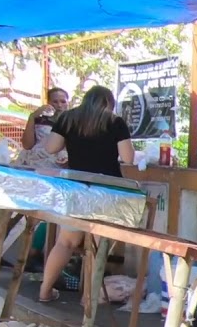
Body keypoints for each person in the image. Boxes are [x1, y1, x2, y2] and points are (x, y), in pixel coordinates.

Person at [37, 85, 133, 302]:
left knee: (65, 243)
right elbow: (128, 158)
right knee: (99, 247)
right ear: (108, 103)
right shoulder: (115, 122)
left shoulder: (68, 118)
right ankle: (88, 297)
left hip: (76, 187)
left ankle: (45, 291)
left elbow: (51, 148)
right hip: (105, 189)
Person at [19, 87, 70, 167]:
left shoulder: (74, 122)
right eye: (55, 102)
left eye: (63, 102)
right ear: (48, 102)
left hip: (59, 163)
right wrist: (32, 117)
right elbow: (27, 145)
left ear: (68, 103)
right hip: (34, 161)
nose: (59, 105)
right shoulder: (39, 121)